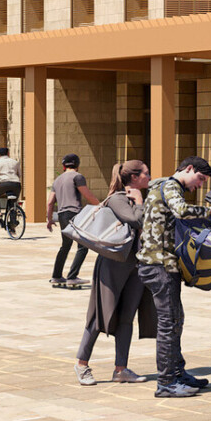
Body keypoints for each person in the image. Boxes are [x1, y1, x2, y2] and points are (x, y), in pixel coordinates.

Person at [136, 156, 211, 397]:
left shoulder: (159, 186)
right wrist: (210, 211)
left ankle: (178, 373)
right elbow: (181, 211)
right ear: (188, 169)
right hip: (160, 265)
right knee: (169, 324)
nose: (199, 185)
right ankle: (167, 383)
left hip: (159, 264)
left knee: (175, 319)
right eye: (200, 179)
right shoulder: (170, 186)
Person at [73, 160, 155, 385]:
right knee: (101, 314)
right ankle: (82, 364)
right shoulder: (119, 198)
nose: (149, 176)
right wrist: (139, 201)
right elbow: (136, 219)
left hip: (135, 263)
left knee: (127, 317)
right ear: (134, 177)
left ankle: (121, 369)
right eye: (146, 173)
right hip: (113, 264)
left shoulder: (134, 198)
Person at [46, 154, 101, 289]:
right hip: (75, 214)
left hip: (62, 215)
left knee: (65, 246)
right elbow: (87, 195)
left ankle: (56, 276)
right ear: (77, 165)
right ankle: (72, 277)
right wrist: (101, 206)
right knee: (83, 245)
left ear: (64, 166)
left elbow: (50, 203)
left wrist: (49, 219)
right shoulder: (78, 177)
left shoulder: (57, 180)